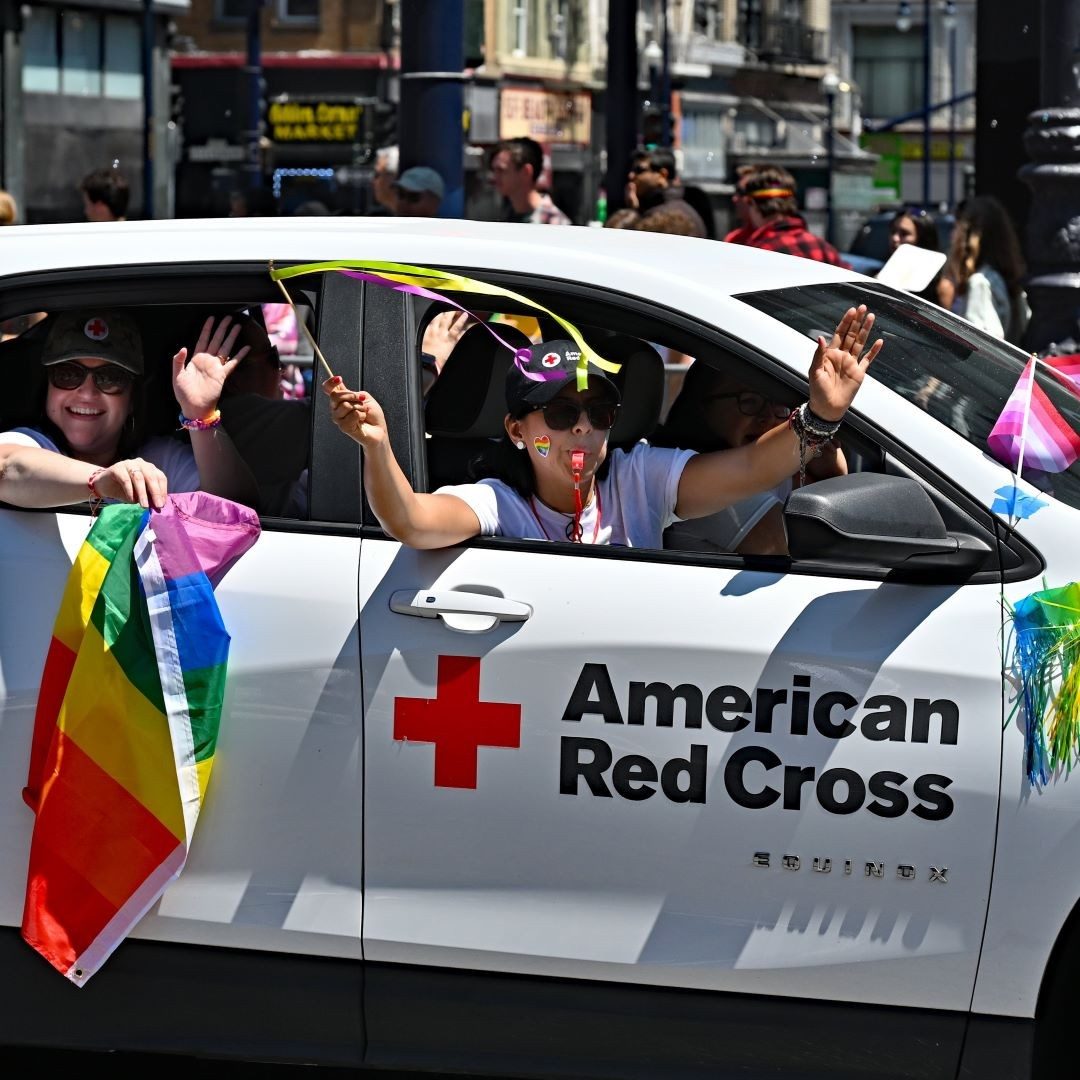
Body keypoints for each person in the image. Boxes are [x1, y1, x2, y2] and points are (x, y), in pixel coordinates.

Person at [322, 306, 882, 550]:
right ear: (518, 431)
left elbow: (756, 467)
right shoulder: (496, 502)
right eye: (562, 416)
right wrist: (377, 447)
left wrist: (823, 415)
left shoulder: (638, 477)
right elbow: (413, 522)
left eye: (600, 416)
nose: (583, 430)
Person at [0, 310, 257, 510]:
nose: (87, 393)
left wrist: (201, 416)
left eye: (110, 378)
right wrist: (101, 481)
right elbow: (7, 467)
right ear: (48, 388)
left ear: (132, 397)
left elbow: (238, 508)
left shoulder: (158, 459)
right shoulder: (31, 443)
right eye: (68, 374)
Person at [653, 361, 847, 556]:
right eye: (749, 401)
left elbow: (837, 504)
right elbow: (816, 552)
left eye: (779, 404)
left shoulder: (774, 469)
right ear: (703, 404)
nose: (768, 416)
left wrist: (830, 467)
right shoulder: (705, 488)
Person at [942, 195, 1030, 345]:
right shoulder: (1006, 282)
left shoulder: (979, 283)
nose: (952, 235)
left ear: (968, 236)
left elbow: (979, 349)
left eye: (956, 227)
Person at [723, 163, 850, 267]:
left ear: (751, 201)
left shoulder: (759, 252)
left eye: (740, 192)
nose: (735, 198)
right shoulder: (824, 248)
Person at [625, 147, 707, 239]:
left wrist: (632, 215)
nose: (631, 175)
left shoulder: (669, 215)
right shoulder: (663, 207)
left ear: (662, 175)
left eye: (639, 170)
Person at [490, 137, 572, 225]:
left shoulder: (555, 223)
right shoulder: (505, 216)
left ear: (526, 172)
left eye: (501, 170)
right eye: (494, 170)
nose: (494, 177)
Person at [881, 207, 945, 302]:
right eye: (893, 231)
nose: (895, 238)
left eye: (904, 234)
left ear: (922, 239)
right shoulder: (881, 276)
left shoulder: (941, 286)